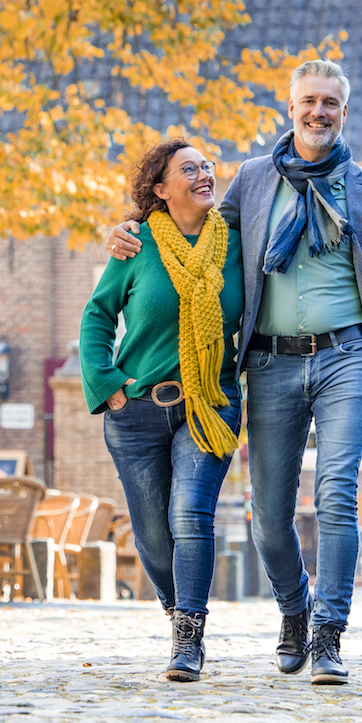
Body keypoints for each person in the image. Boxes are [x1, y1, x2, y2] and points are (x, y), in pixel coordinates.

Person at [107, 58, 362, 685]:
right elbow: (194, 235)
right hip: (267, 361)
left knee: (337, 493)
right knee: (268, 513)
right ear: (290, 110)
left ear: (346, 112)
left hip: (349, 355)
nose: (319, 112)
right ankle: (295, 608)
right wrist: (130, 231)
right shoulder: (254, 182)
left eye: (331, 104)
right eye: (308, 102)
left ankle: (329, 637)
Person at [80, 138, 244, 682]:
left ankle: (188, 639)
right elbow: (98, 317)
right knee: (152, 535)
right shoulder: (136, 245)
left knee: (190, 514)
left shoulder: (237, 243)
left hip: (210, 404)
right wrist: (110, 386)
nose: (203, 174)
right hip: (138, 411)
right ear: (160, 189)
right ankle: (178, 614)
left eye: (206, 166)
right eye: (188, 168)